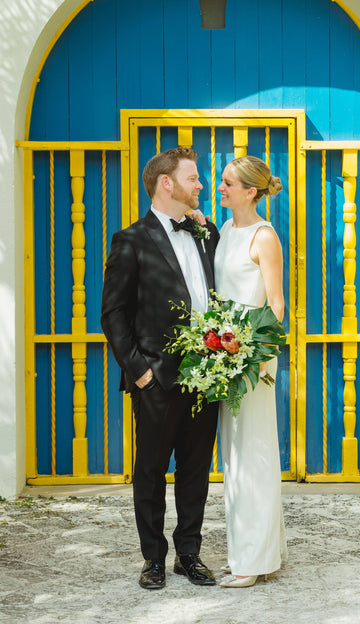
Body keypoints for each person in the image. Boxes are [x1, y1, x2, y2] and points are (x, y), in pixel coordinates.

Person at [101, 147, 220, 590]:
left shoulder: (205, 234)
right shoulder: (130, 239)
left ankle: (188, 553)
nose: (201, 185)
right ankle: (153, 557)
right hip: (155, 379)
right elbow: (112, 314)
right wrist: (140, 372)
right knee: (150, 471)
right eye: (193, 178)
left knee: (196, 471)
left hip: (206, 375)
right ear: (166, 182)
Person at [214, 155, 287, 588]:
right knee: (235, 457)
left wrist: (251, 355)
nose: (221, 187)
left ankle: (252, 562)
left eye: (227, 183)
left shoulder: (264, 237)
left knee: (253, 454)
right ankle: (256, 551)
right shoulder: (226, 229)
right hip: (222, 352)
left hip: (252, 357)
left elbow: (275, 306)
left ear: (251, 191)